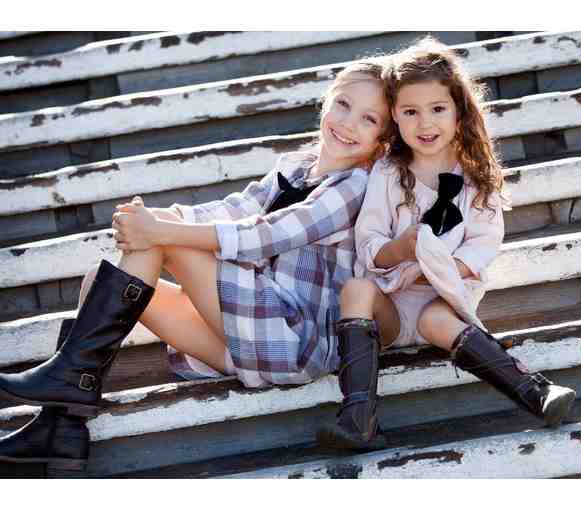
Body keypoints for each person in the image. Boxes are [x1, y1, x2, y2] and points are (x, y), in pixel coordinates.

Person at [0, 59, 393, 472]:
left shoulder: (354, 186)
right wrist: (160, 217)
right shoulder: (297, 165)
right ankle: (59, 430)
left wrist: (160, 230)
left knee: (165, 241)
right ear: (326, 101)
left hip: (290, 340)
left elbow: (268, 233)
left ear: (382, 141)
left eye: (368, 119)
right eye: (343, 104)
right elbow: (236, 207)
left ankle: (67, 386)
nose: (348, 123)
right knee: (101, 278)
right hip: (247, 335)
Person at [316, 37, 576, 452]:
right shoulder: (388, 172)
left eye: (437, 109)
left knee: (434, 321)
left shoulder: (474, 175)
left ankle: (534, 390)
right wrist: (402, 250)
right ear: (394, 117)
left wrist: (443, 267)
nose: (425, 124)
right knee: (355, 289)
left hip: (443, 298)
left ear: (458, 110)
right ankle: (359, 418)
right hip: (390, 302)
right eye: (410, 112)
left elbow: (484, 241)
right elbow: (369, 241)